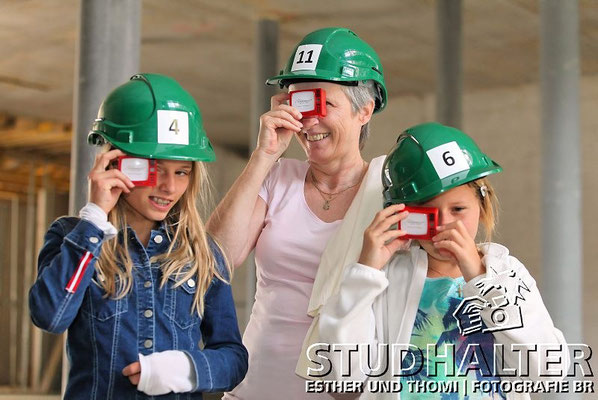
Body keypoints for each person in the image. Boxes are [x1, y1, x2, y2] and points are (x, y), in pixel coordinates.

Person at [29, 73, 248, 399]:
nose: (169, 187)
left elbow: (233, 359)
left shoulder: (202, 253)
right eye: (155, 169)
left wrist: (185, 369)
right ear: (118, 163)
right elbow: (51, 316)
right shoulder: (72, 236)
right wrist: (94, 217)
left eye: (181, 172)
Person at [313, 122, 569, 399]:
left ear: (482, 206)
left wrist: (482, 280)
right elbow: (344, 374)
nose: (444, 226)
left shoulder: (506, 272)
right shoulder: (387, 276)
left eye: (458, 209)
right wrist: (365, 272)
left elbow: (547, 371)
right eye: (426, 216)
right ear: (402, 215)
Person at [207, 27, 388, 399]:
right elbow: (215, 260)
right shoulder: (277, 179)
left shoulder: (387, 193)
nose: (308, 121)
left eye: (323, 105)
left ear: (364, 110)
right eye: (300, 104)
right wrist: (264, 156)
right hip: (253, 387)